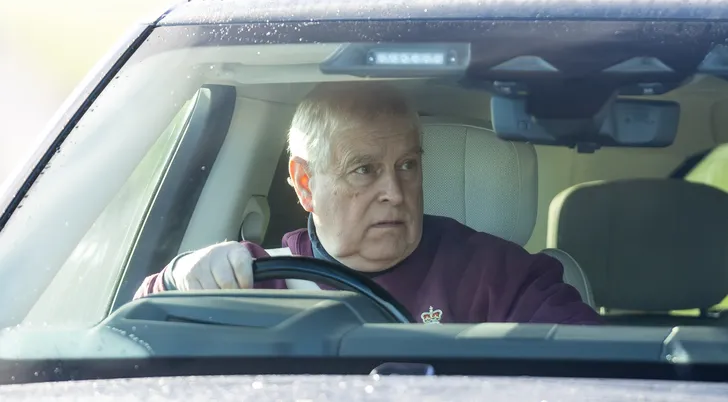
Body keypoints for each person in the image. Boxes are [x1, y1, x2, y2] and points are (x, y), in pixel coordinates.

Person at [134, 82, 602, 325]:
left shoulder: (494, 274)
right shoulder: (254, 281)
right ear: (305, 183)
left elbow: (589, 366)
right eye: (364, 170)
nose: (395, 193)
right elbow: (135, 338)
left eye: (407, 166)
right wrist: (179, 277)